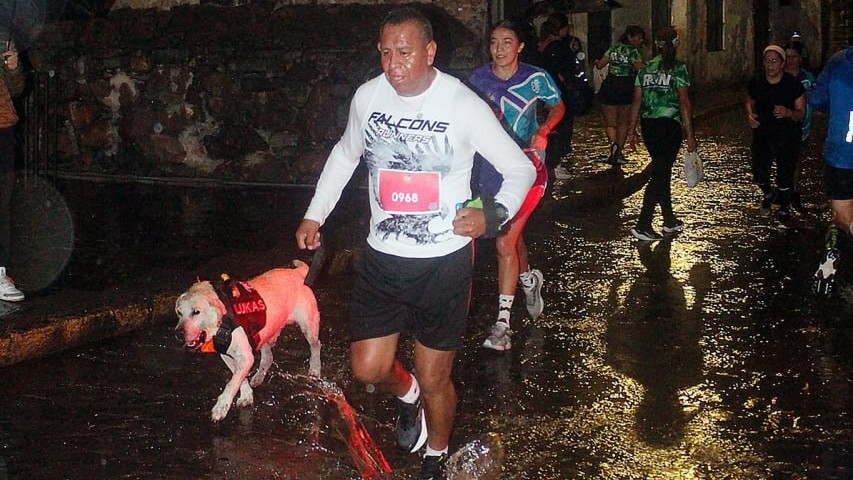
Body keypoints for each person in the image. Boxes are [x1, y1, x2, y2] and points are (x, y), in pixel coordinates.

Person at [294, 8, 536, 479]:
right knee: (367, 370)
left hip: (442, 264)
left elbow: (520, 168)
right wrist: (314, 212)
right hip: (383, 259)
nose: (393, 63)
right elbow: (345, 155)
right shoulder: (369, 98)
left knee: (435, 378)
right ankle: (405, 397)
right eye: (385, 52)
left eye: (404, 52)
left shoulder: (462, 105)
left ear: (430, 52)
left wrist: (492, 212)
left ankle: (435, 455)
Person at [468, 19, 564, 351]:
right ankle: (528, 281)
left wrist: (544, 130)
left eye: (507, 42)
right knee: (512, 236)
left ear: (520, 46)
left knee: (504, 244)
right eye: (494, 42)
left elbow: (559, 105)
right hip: (491, 171)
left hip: (527, 167)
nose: (499, 48)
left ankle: (502, 325)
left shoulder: (536, 78)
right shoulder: (477, 80)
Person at [627, 26, 696, 241]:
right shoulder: (678, 68)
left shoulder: (645, 69)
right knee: (659, 174)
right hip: (669, 126)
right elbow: (684, 103)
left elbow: (637, 101)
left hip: (649, 126)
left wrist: (632, 130)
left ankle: (669, 220)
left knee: (661, 170)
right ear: (675, 44)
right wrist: (690, 134)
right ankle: (643, 223)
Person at [809, 45, 853, 297]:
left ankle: (834, 248)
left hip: (841, 156)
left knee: (842, 219)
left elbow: (815, 99)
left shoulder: (838, 61)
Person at [746, 45, 806, 223]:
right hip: (763, 134)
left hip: (786, 136)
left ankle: (785, 207)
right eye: (767, 61)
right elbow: (749, 100)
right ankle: (769, 194)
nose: (770, 65)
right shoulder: (757, 81)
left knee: (784, 175)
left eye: (774, 61)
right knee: (758, 173)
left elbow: (801, 111)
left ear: (782, 64)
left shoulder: (792, 84)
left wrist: (788, 113)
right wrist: (749, 114)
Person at [537, 12, 588, 180]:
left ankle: (552, 163)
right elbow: (566, 69)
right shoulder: (557, 46)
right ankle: (554, 163)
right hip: (558, 91)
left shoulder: (543, 45)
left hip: (545, 91)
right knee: (560, 127)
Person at [595, 25, 645, 166]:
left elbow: (600, 65)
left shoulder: (613, 49)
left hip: (610, 84)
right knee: (623, 122)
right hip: (626, 86)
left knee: (610, 123)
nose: (640, 41)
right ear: (629, 37)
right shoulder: (633, 52)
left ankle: (613, 147)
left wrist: (597, 63)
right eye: (638, 38)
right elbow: (639, 68)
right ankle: (618, 151)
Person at [0, 41, 25, 303]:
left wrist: (14, 68)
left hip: (2, 128)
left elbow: (17, 89)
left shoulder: (3, 37)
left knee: (2, 208)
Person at [783, 40, 816, 213]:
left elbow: (815, 100)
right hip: (782, 127)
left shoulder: (808, 79)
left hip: (802, 126)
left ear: (800, 58)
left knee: (795, 160)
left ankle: (792, 191)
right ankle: (784, 191)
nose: (790, 61)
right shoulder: (780, 76)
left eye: (793, 57)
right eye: (787, 57)